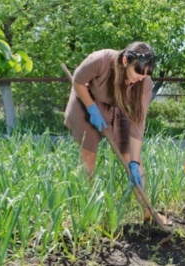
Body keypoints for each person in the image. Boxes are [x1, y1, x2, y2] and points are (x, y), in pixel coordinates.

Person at [64, 41, 164, 223]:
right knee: (88, 153)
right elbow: (78, 82)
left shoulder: (144, 84)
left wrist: (134, 161)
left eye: (146, 74)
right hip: (87, 99)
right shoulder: (100, 60)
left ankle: (148, 211)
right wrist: (92, 109)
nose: (141, 78)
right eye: (138, 72)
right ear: (125, 60)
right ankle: (90, 210)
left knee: (131, 158)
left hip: (120, 106)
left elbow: (137, 123)